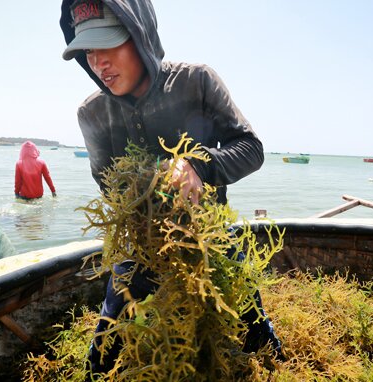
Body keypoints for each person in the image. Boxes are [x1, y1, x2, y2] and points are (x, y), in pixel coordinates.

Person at [59, 0, 281, 373]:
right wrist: (145, 203)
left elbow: (251, 149)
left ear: (140, 35)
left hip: (209, 237)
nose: (99, 63)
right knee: (103, 353)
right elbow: (107, 184)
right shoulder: (92, 113)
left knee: (254, 329)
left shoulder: (197, 82)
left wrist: (198, 165)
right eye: (89, 51)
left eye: (109, 45)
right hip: (140, 246)